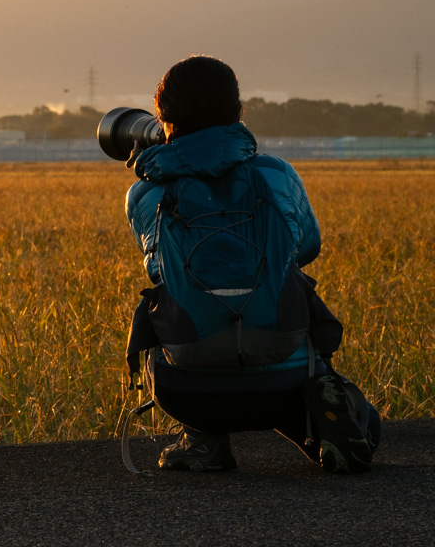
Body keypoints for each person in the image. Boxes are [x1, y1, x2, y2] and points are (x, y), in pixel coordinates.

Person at [123, 54, 375, 473]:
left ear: (163, 118)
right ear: (238, 111)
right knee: (362, 422)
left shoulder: (145, 193)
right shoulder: (277, 173)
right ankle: (320, 418)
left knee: (163, 299)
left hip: (187, 390)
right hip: (284, 380)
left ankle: (202, 441)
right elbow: (307, 248)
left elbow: (161, 270)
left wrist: (154, 170)